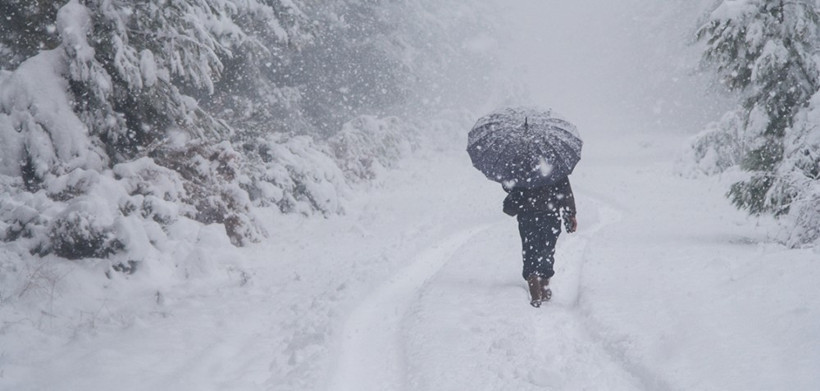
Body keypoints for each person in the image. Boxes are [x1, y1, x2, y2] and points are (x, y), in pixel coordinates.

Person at [503, 176, 577, 307]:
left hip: (529, 214)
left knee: (531, 249)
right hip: (548, 213)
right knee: (546, 249)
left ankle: (536, 287)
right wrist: (570, 213)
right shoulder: (554, 163)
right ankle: (542, 285)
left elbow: (508, 186)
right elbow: (565, 191)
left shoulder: (519, 163)